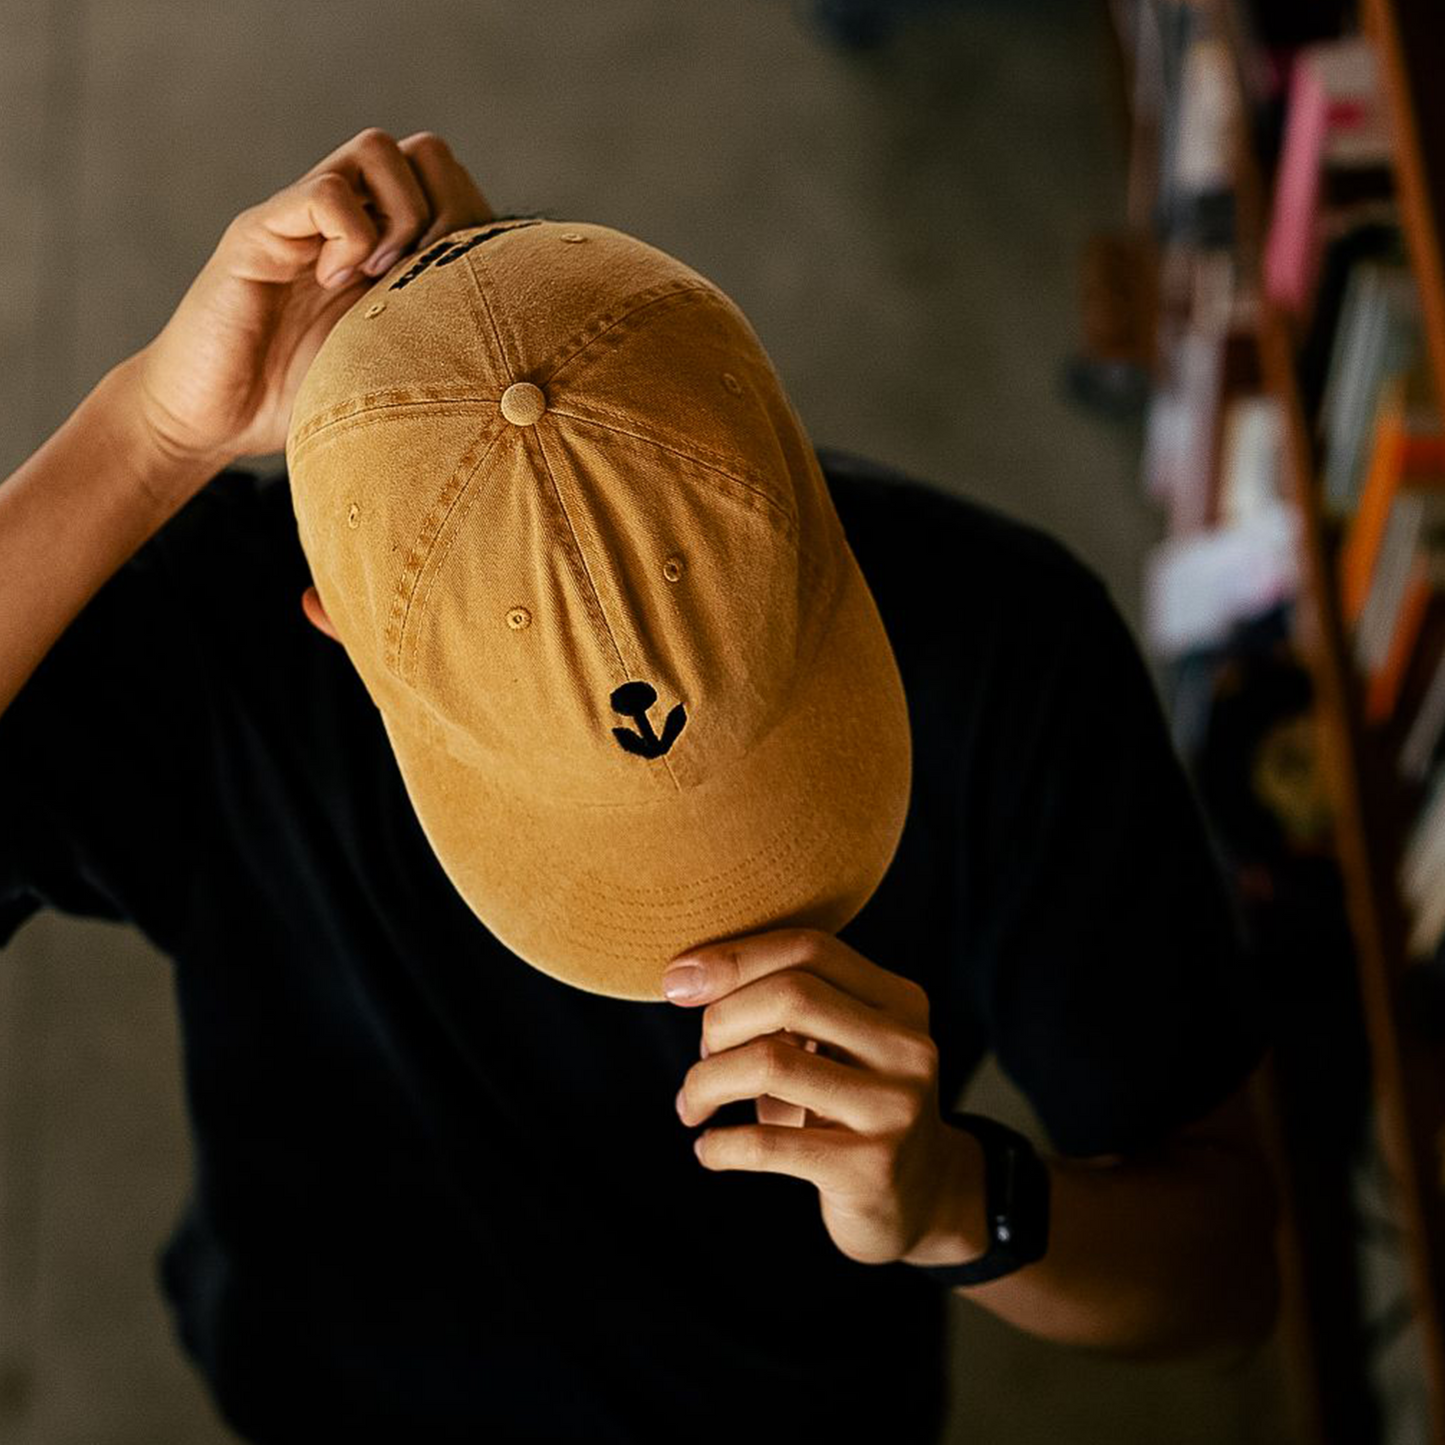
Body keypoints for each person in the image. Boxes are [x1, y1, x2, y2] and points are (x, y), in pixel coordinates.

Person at [0, 127, 1278, 1445]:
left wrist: (960, 1200)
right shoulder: (220, 643)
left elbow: (1229, 1276)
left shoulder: (1012, 653)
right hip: (333, 1389)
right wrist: (143, 432)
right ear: (335, 629)